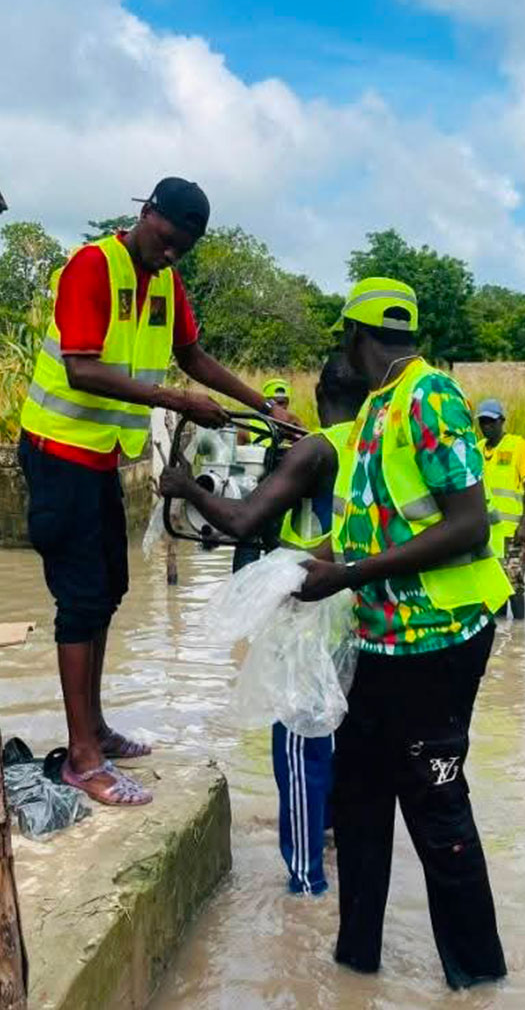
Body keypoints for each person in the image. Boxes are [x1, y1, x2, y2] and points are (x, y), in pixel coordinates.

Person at [19, 176, 295, 806]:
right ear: (145, 215)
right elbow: (81, 368)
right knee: (80, 602)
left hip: (101, 461)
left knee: (108, 592)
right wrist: (175, 401)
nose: (171, 256)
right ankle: (82, 759)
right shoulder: (93, 265)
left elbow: (192, 355)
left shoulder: (166, 282)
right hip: (58, 455)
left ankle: (94, 731)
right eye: (167, 240)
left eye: (184, 249)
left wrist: (262, 406)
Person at [296, 277, 513, 991]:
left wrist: (349, 576)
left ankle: (479, 981)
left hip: (440, 643)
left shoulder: (433, 398)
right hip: (380, 646)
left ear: (356, 339)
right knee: (357, 805)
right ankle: (355, 969)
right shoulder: (373, 417)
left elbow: (467, 524)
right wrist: (304, 566)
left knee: (436, 805)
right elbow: (369, 529)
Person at [161, 353, 368, 894]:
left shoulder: (317, 450)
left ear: (319, 397)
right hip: (367, 612)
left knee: (300, 746)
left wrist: (188, 490)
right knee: (347, 741)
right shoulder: (380, 447)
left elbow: (242, 519)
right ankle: (337, 847)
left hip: (311, 615)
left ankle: (306, 887)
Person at [476, 398, 525, 619]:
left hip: (511, 531)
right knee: (494, 585)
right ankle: (502, 635)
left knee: (513, 582)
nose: (486, 427)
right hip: (486, 531)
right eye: (482, 422)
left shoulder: (518, 445)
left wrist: (524, 524)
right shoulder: (477, 449)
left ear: (502, 421)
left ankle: (519, 632)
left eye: (491, 422)